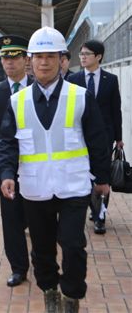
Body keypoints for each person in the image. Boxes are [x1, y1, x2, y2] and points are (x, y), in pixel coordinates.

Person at [0, 27, 111, 313]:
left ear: (62, 60)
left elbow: (98, 140)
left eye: (51, 56)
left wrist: (103, 179)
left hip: (73, 185)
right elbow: (7, 143)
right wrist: (7, 174)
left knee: (73, 244)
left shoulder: (81, 96)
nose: (43, 62)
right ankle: (49, 292)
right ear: (29, 61)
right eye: (38, 57)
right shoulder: (17, 101)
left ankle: (71, 296)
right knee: (43, 249)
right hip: (35, 189)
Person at [0, 35, 33, 288]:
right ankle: (18, 268)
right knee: (11, 218)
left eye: (15, 58)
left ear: (26, 60)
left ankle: (42, 259)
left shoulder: (39, 87)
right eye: (5, 58)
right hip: (7, 166)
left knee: (39, 216)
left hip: (38, 164)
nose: (9, 63)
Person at [67, 40, 124, 235]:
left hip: (105, 135)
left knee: (103, 174)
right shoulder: (74, 80)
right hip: (79, 135)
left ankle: (100, 216)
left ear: (98, 56)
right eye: (81, 54)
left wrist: (119, 137)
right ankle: (90, 206)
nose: (82, 57)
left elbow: (116, 110)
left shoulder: (111, 79)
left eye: (87, 54)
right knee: (84, 172)